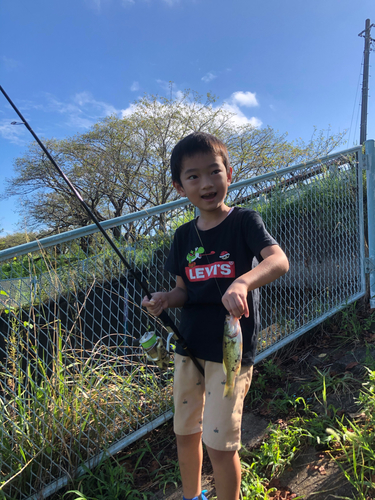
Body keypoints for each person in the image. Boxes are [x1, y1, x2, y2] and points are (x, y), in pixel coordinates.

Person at [142, 132, 289, 500]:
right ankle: (192, 496)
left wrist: (242, 282)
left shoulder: (244, 222)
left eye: (214, 172)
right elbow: (183, 291)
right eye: (193, 176)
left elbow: (278, 261)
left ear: (230, 173)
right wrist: (164, 299)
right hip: (188, 347)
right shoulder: (181, 237)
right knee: (185, 432)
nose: (206, 183)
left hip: (229, 351)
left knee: (220, 444)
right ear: (179, 186)